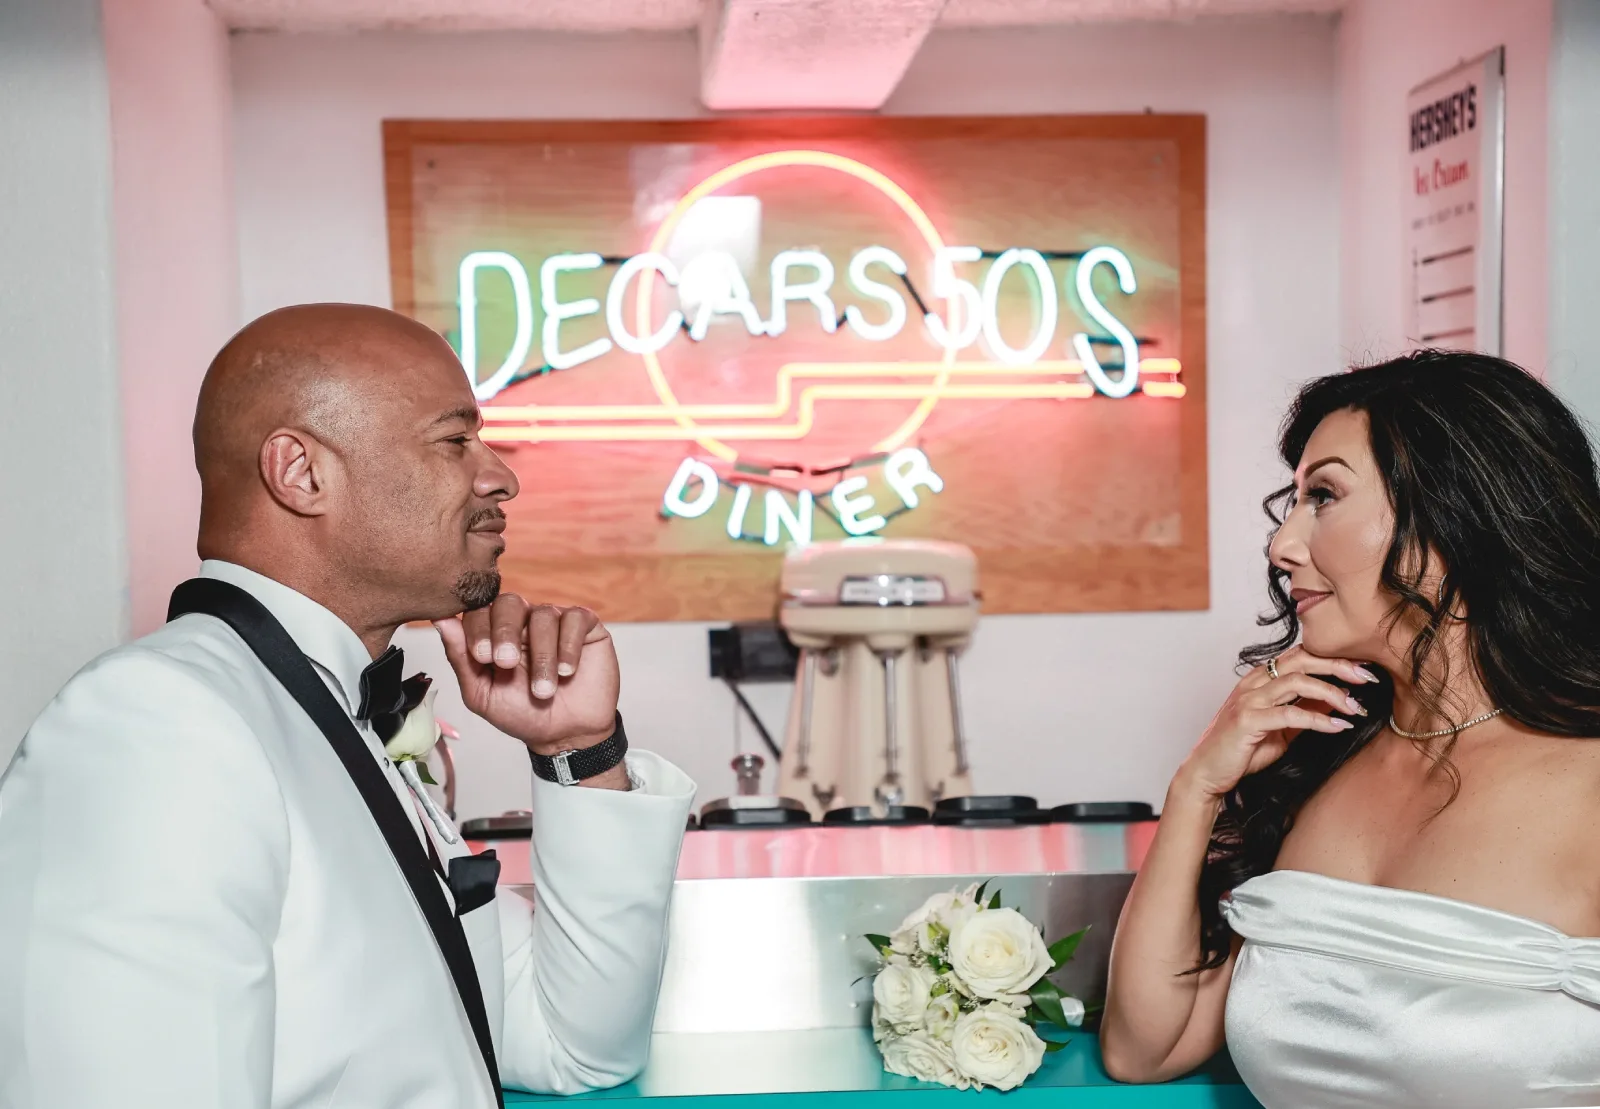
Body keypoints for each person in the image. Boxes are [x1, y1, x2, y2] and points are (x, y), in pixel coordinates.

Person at [0, 304, 697, 1108]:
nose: (502, 475)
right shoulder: (158, 725)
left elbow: (576, 1046)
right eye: (454, 439)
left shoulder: (350, 719)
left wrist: (581, 748)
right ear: (301, 473)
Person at [1100, 350, 1600, 1107]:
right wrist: (1199, 784)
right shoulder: (1317, 760)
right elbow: (1147, 1047)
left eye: (1324, 495)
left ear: (1454, 514)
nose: (1281, 546)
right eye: (1294, 501)